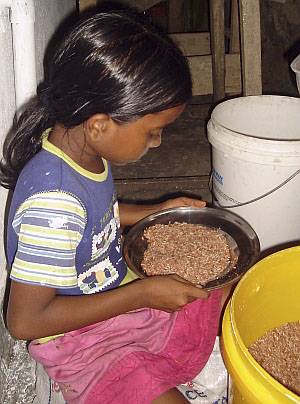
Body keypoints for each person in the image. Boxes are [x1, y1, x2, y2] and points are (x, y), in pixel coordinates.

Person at [0, 10, 226, 404]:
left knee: (223, 285)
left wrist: (154, 212)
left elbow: (97, 214)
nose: (157, 143)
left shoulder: (79, 148)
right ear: (100, 124)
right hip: (79, 340)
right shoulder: (52, 204)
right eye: (152, 132)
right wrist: (141, 295)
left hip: (114, 292)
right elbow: (24, 322)